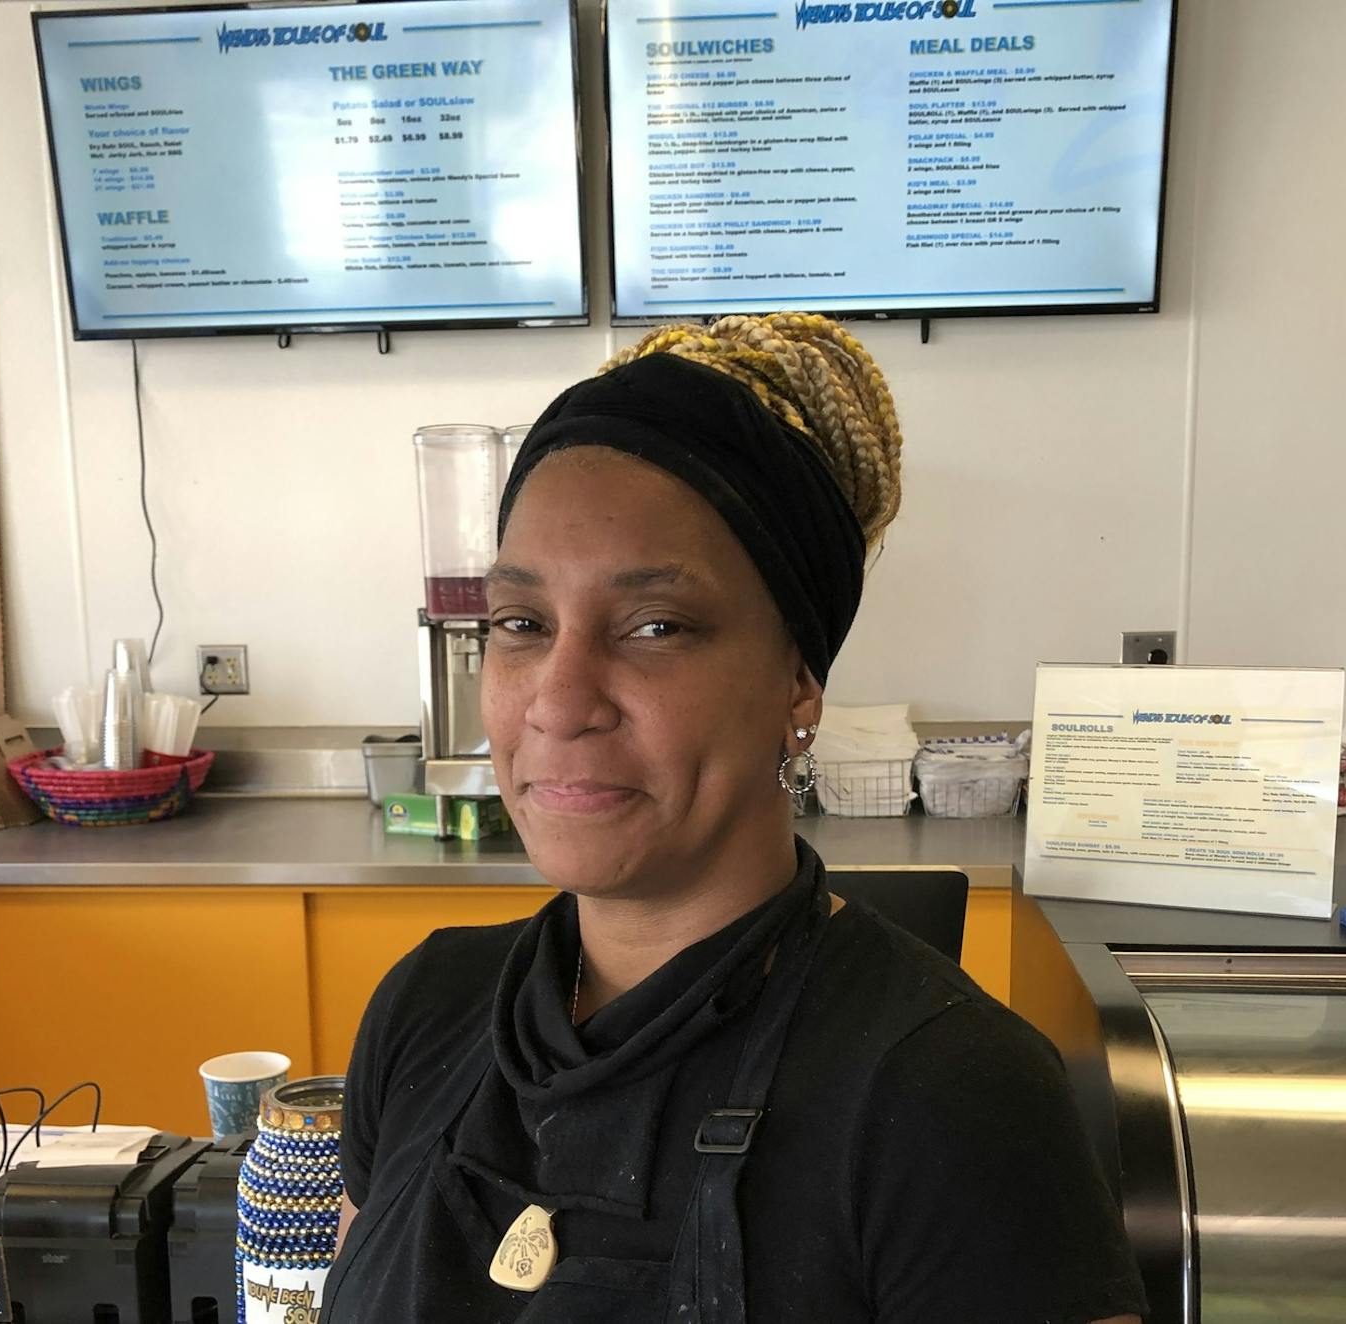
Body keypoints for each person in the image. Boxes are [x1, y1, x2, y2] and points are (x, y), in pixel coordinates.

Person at [328, 313, 1146, 1323]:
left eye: (656, 626)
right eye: (522, 624)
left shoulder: (956, 1101)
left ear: (799, 681)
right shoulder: (425, 1009)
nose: (558, 698)